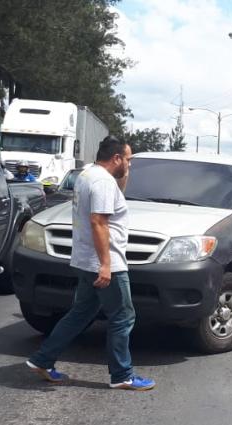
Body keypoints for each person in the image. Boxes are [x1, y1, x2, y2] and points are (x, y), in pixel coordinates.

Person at [25, 136, 155, 391]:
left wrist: (123, 175)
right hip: (106, 263)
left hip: (84, 260)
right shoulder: (103, 182)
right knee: (122, 316)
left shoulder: (88, 175)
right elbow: (98, 222)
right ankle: (122, 375)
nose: (129, 165)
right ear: (116, 158)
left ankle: (42, 360)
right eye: (127, 160)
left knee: (81, 313)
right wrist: (106, 265)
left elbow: (115, 202)